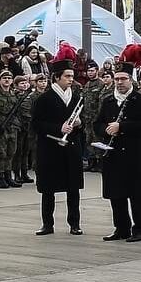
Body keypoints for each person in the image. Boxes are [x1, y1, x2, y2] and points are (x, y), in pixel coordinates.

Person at [32, 47, 87, 235]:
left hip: (71, 148)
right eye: (67, 76)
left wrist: (79, 123)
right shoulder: (44, 99)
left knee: (73, 189)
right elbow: (36, 124)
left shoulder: (77, 97)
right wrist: (58, 128)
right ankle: (47, 224)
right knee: (49, 190)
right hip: (50, 149)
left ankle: (75, 223)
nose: (71, 79)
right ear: (56, 77)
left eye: (72, 76)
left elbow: (83, 122)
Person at [95, 61, 141, 242]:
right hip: (112, 154)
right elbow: (97, 124)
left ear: (131, 80)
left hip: (133, 154)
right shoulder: (108, 100)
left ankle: (140, 229)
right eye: (117, 79)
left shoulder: (140, 100)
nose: (119, 82)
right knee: (115, 193)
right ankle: (121, 227)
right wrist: (106, 130)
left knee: (136, 194)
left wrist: (122, 127)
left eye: (123, 79)